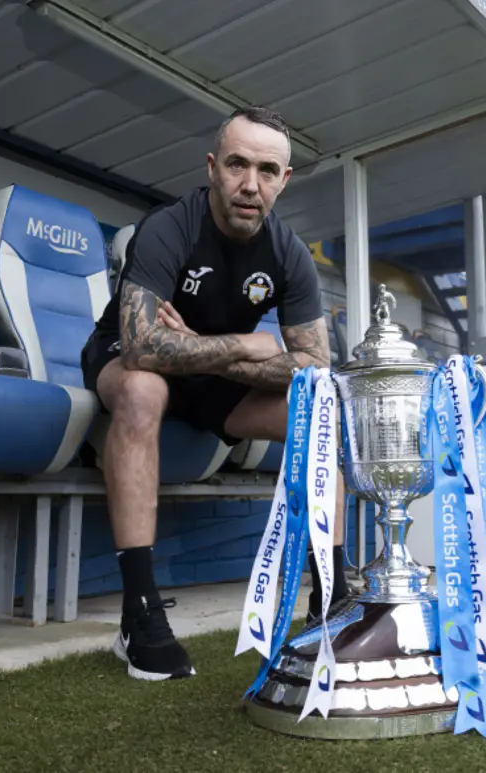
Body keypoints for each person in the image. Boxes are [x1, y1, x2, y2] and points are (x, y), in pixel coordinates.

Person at [81, 106, 352, 682]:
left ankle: (331, 596)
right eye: (236, 164)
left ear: (285, 179)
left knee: (321, 408)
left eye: (267, 170)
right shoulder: (169, 227)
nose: (249, 184)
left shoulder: (289, 254)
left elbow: (314, 368)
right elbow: (142, 347)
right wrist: (244, 346)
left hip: (215, 382)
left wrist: (216, 352)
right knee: (142, 388)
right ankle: (141, 613)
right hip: (126, 361)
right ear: (212, 167)